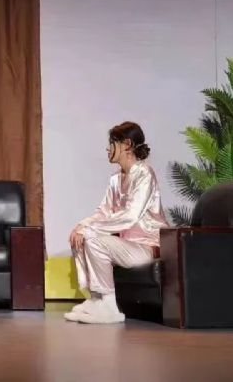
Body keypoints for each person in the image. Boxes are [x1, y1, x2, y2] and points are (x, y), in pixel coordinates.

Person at [65, 121, 169, 324]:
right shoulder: (115, 179)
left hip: (147, 246)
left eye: (112, 143)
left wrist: (90, 230)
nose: (108, 149)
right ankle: (96, 300)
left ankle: (110, 307)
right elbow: (103, 212)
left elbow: (131, 216)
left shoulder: (144, 174)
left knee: (93, 239)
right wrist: (82, 226)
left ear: (127, 144)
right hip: (128, 246)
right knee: (79, 236)